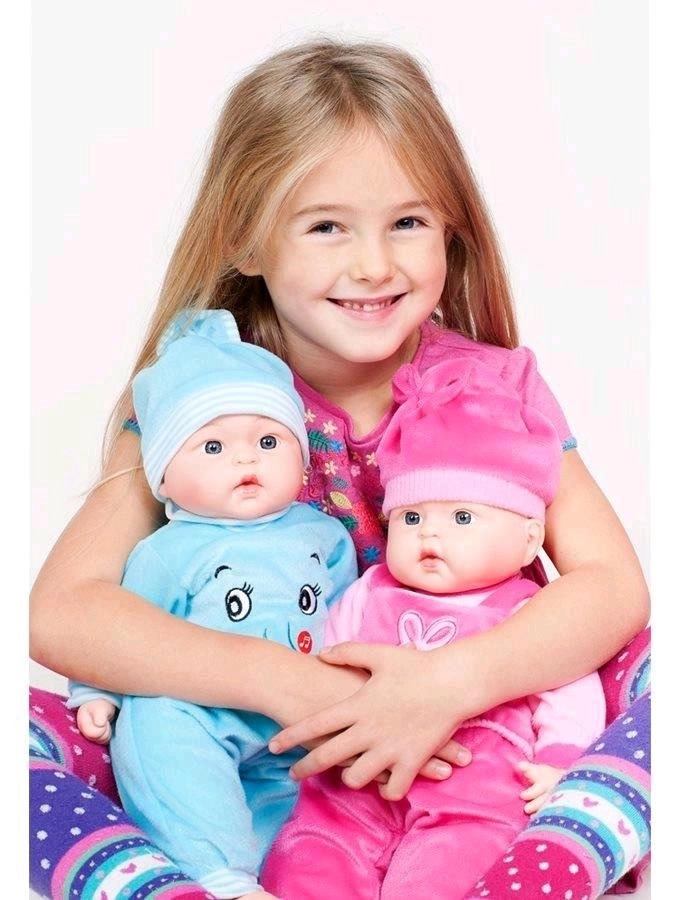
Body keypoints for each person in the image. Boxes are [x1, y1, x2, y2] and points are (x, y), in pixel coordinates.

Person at [29, 38, 650, 900]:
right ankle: (197, 881)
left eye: (408, 222)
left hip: (469, 742)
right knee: (27, 748)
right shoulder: (206, 397)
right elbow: (64, 612)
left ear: (451, 228)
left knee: (651, 690)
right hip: (270, 757)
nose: (373, 265)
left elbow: (611, 587)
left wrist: (448, 684)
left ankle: (523, 865)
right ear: (245, 239)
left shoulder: (487, 391)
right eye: (326, 226)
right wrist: (289, 683)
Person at [262, 357, 607, 898]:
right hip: (354, 787)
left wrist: (559, 761)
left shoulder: (527, 611)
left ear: (528, 541)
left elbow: (569, 692)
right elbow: (326, 660)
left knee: (453, 871)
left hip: (470, 799)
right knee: (308, 855)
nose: (429, 535)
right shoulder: (369, 591)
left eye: (462, 518)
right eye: (412, 517)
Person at [67, 308, 358, 899]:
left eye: (269, 442)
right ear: (164, 479)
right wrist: (95, 691)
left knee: (301, 803)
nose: (246, 460)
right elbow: (121, 629)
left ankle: (295, 877)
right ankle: (217, 873)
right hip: (203, 709)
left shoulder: (324, 535)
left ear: (302, 459)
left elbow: (354, 612)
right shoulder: (169, 550)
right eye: (213, 446)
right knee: (158, 728)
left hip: (304, 711)